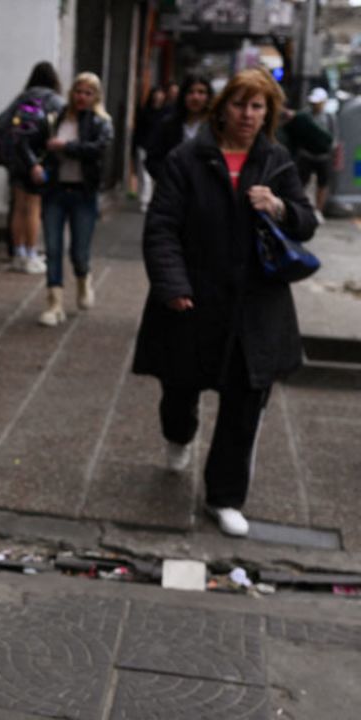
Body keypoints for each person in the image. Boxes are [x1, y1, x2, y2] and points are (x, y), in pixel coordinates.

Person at [132, 68, 317, 538]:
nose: (248, 115)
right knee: (179, 388)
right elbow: (162, 227)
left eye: (258, 107)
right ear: (222, 107)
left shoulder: (276, 160)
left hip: (255, 306)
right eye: (240, 104)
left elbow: (305, 222)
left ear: (269, 112)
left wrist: (278, 207)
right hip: (193, 299)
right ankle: (178, 434)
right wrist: (172, 285)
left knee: (245, 401)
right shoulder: (187, 158)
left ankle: (225, 496)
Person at [36, 72, 113, 327]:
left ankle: (83, 278)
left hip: (84, 193)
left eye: (88, 93)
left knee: (79, 251)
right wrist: (36, 165)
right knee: (53, 248)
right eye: (78, 91)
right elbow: (39, 144)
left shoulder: (102, 122)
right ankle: (54, 303)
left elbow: (99, 149)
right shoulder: (55, 118)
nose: (82, 97)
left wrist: (66, 147)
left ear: (95, 97)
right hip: (55, 191)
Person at [5, 62, 65, 274]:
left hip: (17, 159)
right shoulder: (55, 101)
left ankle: (18, 253)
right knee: (34, 207)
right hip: (39, 161)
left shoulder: (23, 98)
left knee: (19, 206)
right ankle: (31, 253)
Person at [145, 74, 213, 181]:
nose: (195, 97)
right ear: (183, 96)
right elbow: (152, 160)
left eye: (201, 92)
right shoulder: (168, 125)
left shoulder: (215, 127)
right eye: (191, 92)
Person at [293, 87, 338, 220]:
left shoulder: (329, 117)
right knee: (301, 182)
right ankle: (299, 207)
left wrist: (331, 151)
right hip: (306, 155)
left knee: (322, 184)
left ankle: (318, 210)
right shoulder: (305, 115)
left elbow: (334, 137)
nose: (315, 105)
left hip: (323, 156)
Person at [132, 86, 169, 212]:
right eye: (156, 94)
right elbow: (138, 131)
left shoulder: (166, 113)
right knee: (144, 175)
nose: (158, 97)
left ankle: (149, 200)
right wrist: (135, 147)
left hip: (158, 148)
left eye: (160, 94)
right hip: (144, 146)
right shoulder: (145, 112)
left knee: (152, 176)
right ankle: (145, 200)